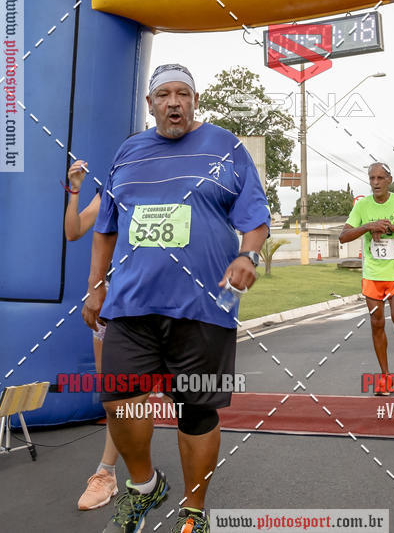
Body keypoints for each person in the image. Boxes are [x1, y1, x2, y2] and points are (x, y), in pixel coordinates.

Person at [82, 64, 270, 533]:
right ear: (150, 105)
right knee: (119, 398)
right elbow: (105, 228)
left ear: (195, 100)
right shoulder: (128, 152)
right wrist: (95, 287)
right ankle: (145, 486)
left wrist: (248, 255)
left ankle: (193, 511)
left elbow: (256, 217)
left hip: (204, 305)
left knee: (196, 411)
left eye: (182, 94)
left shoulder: (226, 148)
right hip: (130, 303)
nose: (174, 102)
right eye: (163, 94)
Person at [340, 162, 394, 393]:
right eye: (372, 178)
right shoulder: (362, 206)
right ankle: (386, 377)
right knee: (377, 323)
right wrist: (368, 226)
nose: (376, 182)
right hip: (372, 275)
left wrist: (390, 228)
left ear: (389, 180)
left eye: (380, 178)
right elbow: (344, 236)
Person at [65, 160, 120, 511]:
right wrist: (75, 189)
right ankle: (107, 472)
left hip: (164, 301)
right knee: (114, 391)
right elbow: (73, 232)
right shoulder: (111, 193)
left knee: (187, 394)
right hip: (113, 304)